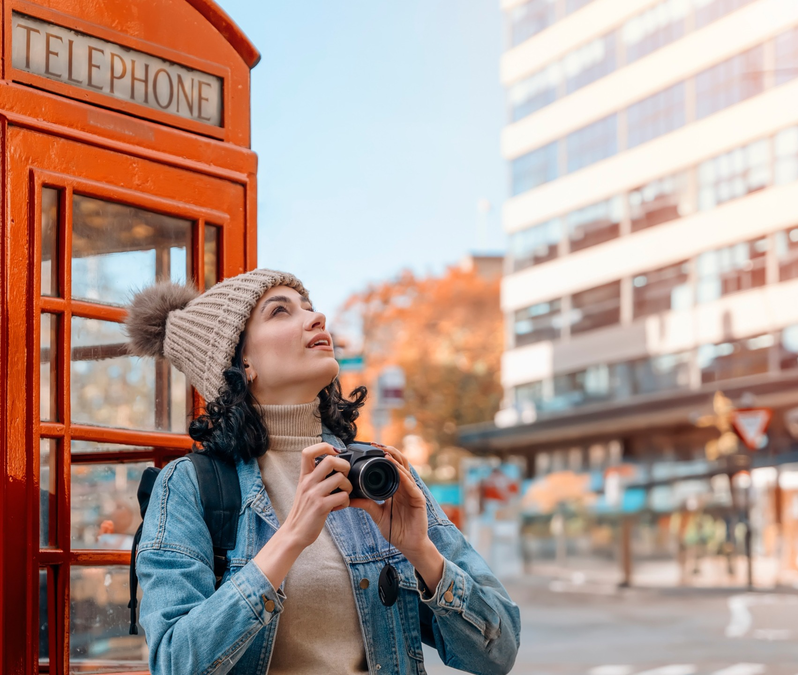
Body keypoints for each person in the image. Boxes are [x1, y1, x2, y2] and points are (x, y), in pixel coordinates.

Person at [126, 269, 520, 675]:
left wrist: (422, 552)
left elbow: (499, 651)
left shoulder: (378, 474)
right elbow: (174, 662)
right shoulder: (189, 486)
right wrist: (291, 538)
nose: (317, 319)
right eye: (280, 312)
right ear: (242, 362)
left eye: (310, 309)